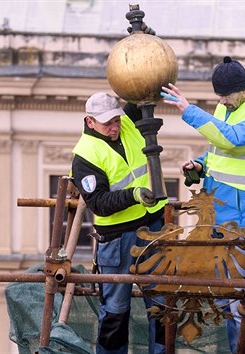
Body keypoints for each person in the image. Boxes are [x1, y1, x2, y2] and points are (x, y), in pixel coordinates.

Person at [161, 56, 245, 354]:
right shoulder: (228, 105)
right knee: (223, 298)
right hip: (219, 211)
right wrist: (201, 165)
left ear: (243, 90)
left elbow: (234, 140)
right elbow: (221, 150)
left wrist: (188, 111)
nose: (221, 101)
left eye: (225, 95)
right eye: (219, 96)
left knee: (240, 301)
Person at [70, 92, 168, 354]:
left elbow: (141, 93)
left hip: (151, 229)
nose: (114, 127)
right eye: (107, 124)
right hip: (116, 239)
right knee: (115, 311)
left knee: (161, 305)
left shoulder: (126, 124)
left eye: (116, 120)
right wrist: (133, 195)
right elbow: (99, 202)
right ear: (90, 122)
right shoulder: (85, 156)